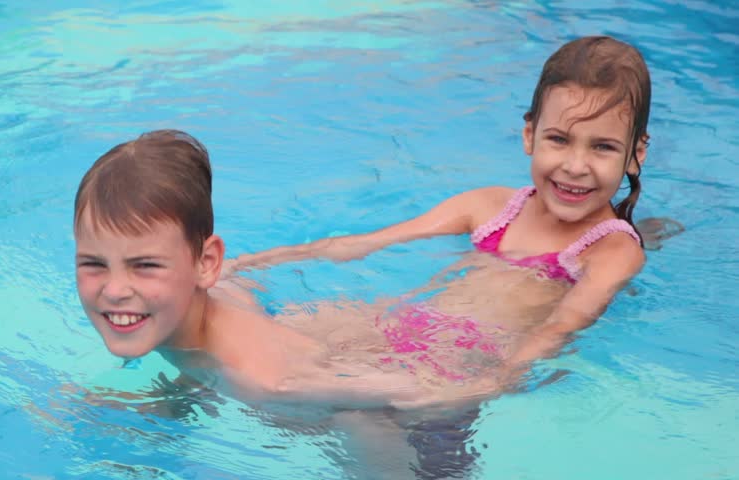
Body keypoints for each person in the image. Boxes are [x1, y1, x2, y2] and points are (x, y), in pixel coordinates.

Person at [226, 35, 660, 388]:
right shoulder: (490, 207)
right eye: (559, 140)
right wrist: (251, 263)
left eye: (602, 147)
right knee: (250, 332)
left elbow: (561, 328)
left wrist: (492, 383)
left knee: (323, 396)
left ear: (636, 153)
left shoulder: (612, 252)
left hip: (464, 366)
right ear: (530, 134)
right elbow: (363, 244)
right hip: (403, 322)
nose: (575, 165)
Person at [71, 128, 489, 411]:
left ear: (205, 265)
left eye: (144, 266)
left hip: (403, 413)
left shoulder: (266, 380)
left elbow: (408, 393)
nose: (115, 289)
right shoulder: (207, 295)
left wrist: (480, 388)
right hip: (356, 336)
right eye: (93, 264)